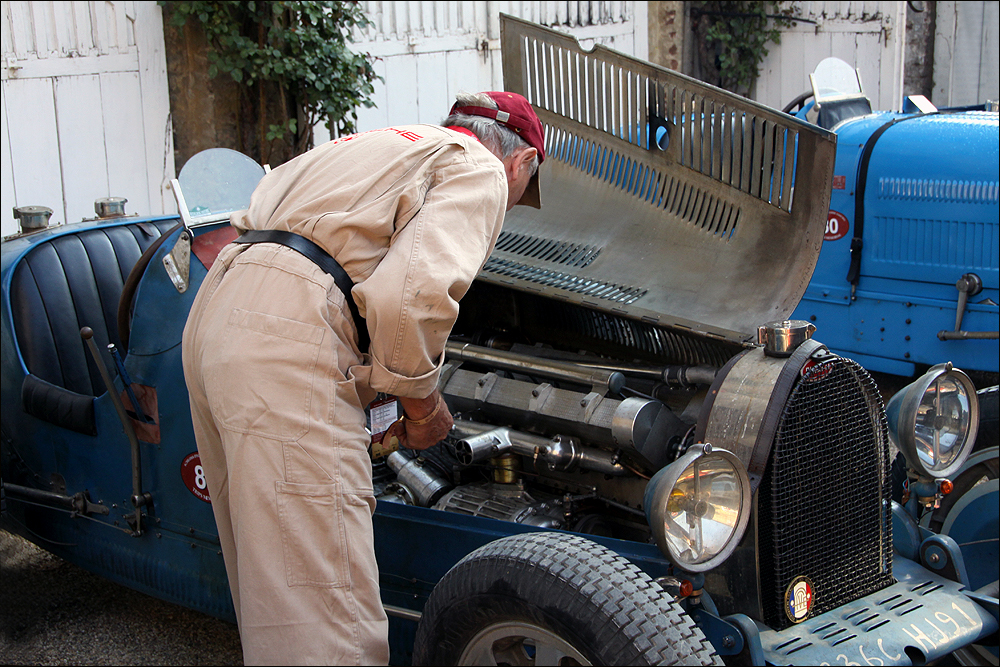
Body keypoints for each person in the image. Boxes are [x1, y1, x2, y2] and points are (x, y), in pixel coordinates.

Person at [181, 91, 545, 665]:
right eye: (526, 189)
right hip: (285, 333)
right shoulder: (479, 166)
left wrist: (373, 393)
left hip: (219, 314)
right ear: (522, 162)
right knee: (326, 616)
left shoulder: (375, 146)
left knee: (275, 584)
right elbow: (412, 299)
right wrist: (425, 409)